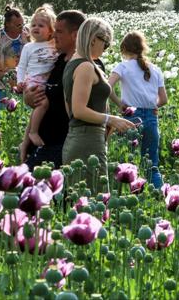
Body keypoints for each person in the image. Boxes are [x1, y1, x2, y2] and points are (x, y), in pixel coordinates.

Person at [62, 18, 135, 190]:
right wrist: (110, 120)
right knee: (95, 203)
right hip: (87, 141)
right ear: (94, 38)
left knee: (85, 203)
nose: (105, 48)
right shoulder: (85, 67)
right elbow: (78, 110)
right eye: (106, 43)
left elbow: (70, 109)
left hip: (82, 136)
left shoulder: (73, 63)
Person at [20, 10, 87, 169]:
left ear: (75, 35)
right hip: (41, 143)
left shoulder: (85, 66)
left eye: (59, 31)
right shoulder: (56, 62)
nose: (54, 35)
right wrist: (25, 141)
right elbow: (40, 101)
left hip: (63, 146)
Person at [108, 31, 167, 189]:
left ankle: (130, 196)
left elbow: (107, 87)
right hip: (151, 118)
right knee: (151, 165)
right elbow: (164, 100)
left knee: (128, 164)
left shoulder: (122, 67)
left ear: (124, 49)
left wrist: (119, 103)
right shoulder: (155, 69)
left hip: (130, 118)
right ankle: (158, 198)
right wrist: (153, 106)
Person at [16, 5, 59, 148]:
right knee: (43, 103)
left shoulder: (54, 45)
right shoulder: (29, 47)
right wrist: (20, 82)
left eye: (41, 25)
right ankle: (33, 132)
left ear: (51, 30)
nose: (36, 28)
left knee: (43, 104)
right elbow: (21, 66)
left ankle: (33, 131)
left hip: (47, 81)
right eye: (33, 25)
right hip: (34, 80)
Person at [0, 5, 29, 127]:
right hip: (3, 84)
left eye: (22, 24)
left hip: (24, 84)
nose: (21, 27)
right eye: (17, 25)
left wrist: (28, 40)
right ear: (8, 24)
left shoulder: (27, 34)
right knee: (1, 118)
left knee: (24, 118)